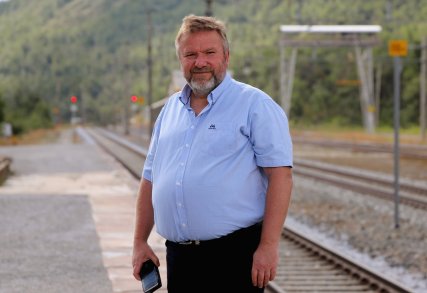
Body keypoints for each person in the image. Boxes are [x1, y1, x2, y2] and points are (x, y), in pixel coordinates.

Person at [132, 14, 293, 293]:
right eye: (190, 54)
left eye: (209, 52)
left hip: (235, 256)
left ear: (226, 57)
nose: (200, 62)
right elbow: (150, 179)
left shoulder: (255, 105)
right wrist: (139, 242)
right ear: (181, 60)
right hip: (180, 258)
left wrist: (268, 246)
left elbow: (281, 176)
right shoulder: (170, 110)